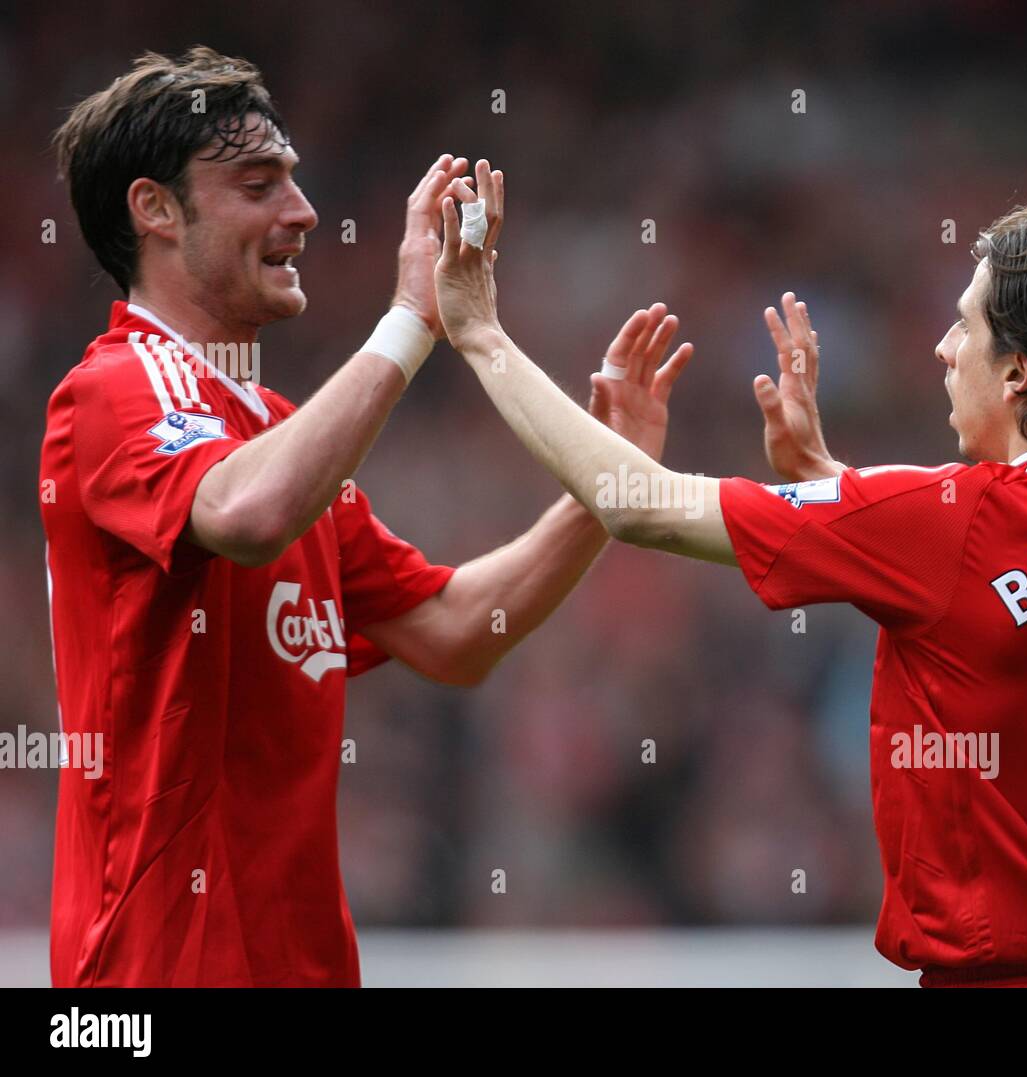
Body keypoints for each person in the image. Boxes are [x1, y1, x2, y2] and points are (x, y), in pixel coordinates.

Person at [434, 163, 1027, 988]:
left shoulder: (949, 521)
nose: (943, 347)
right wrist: (832, 487)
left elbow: (639, 506)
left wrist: (481, 334)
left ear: (1021, 374)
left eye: (965, 325)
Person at [40, 48, 693, 987]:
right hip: (153, 980)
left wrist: (606, 485)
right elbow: (248, 513)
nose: (301, 213)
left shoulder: (283, 439)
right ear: (156, 210)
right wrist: (411, 319)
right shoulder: (108, 391)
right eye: (258, 186)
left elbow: (458, 634)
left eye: (295, 184)